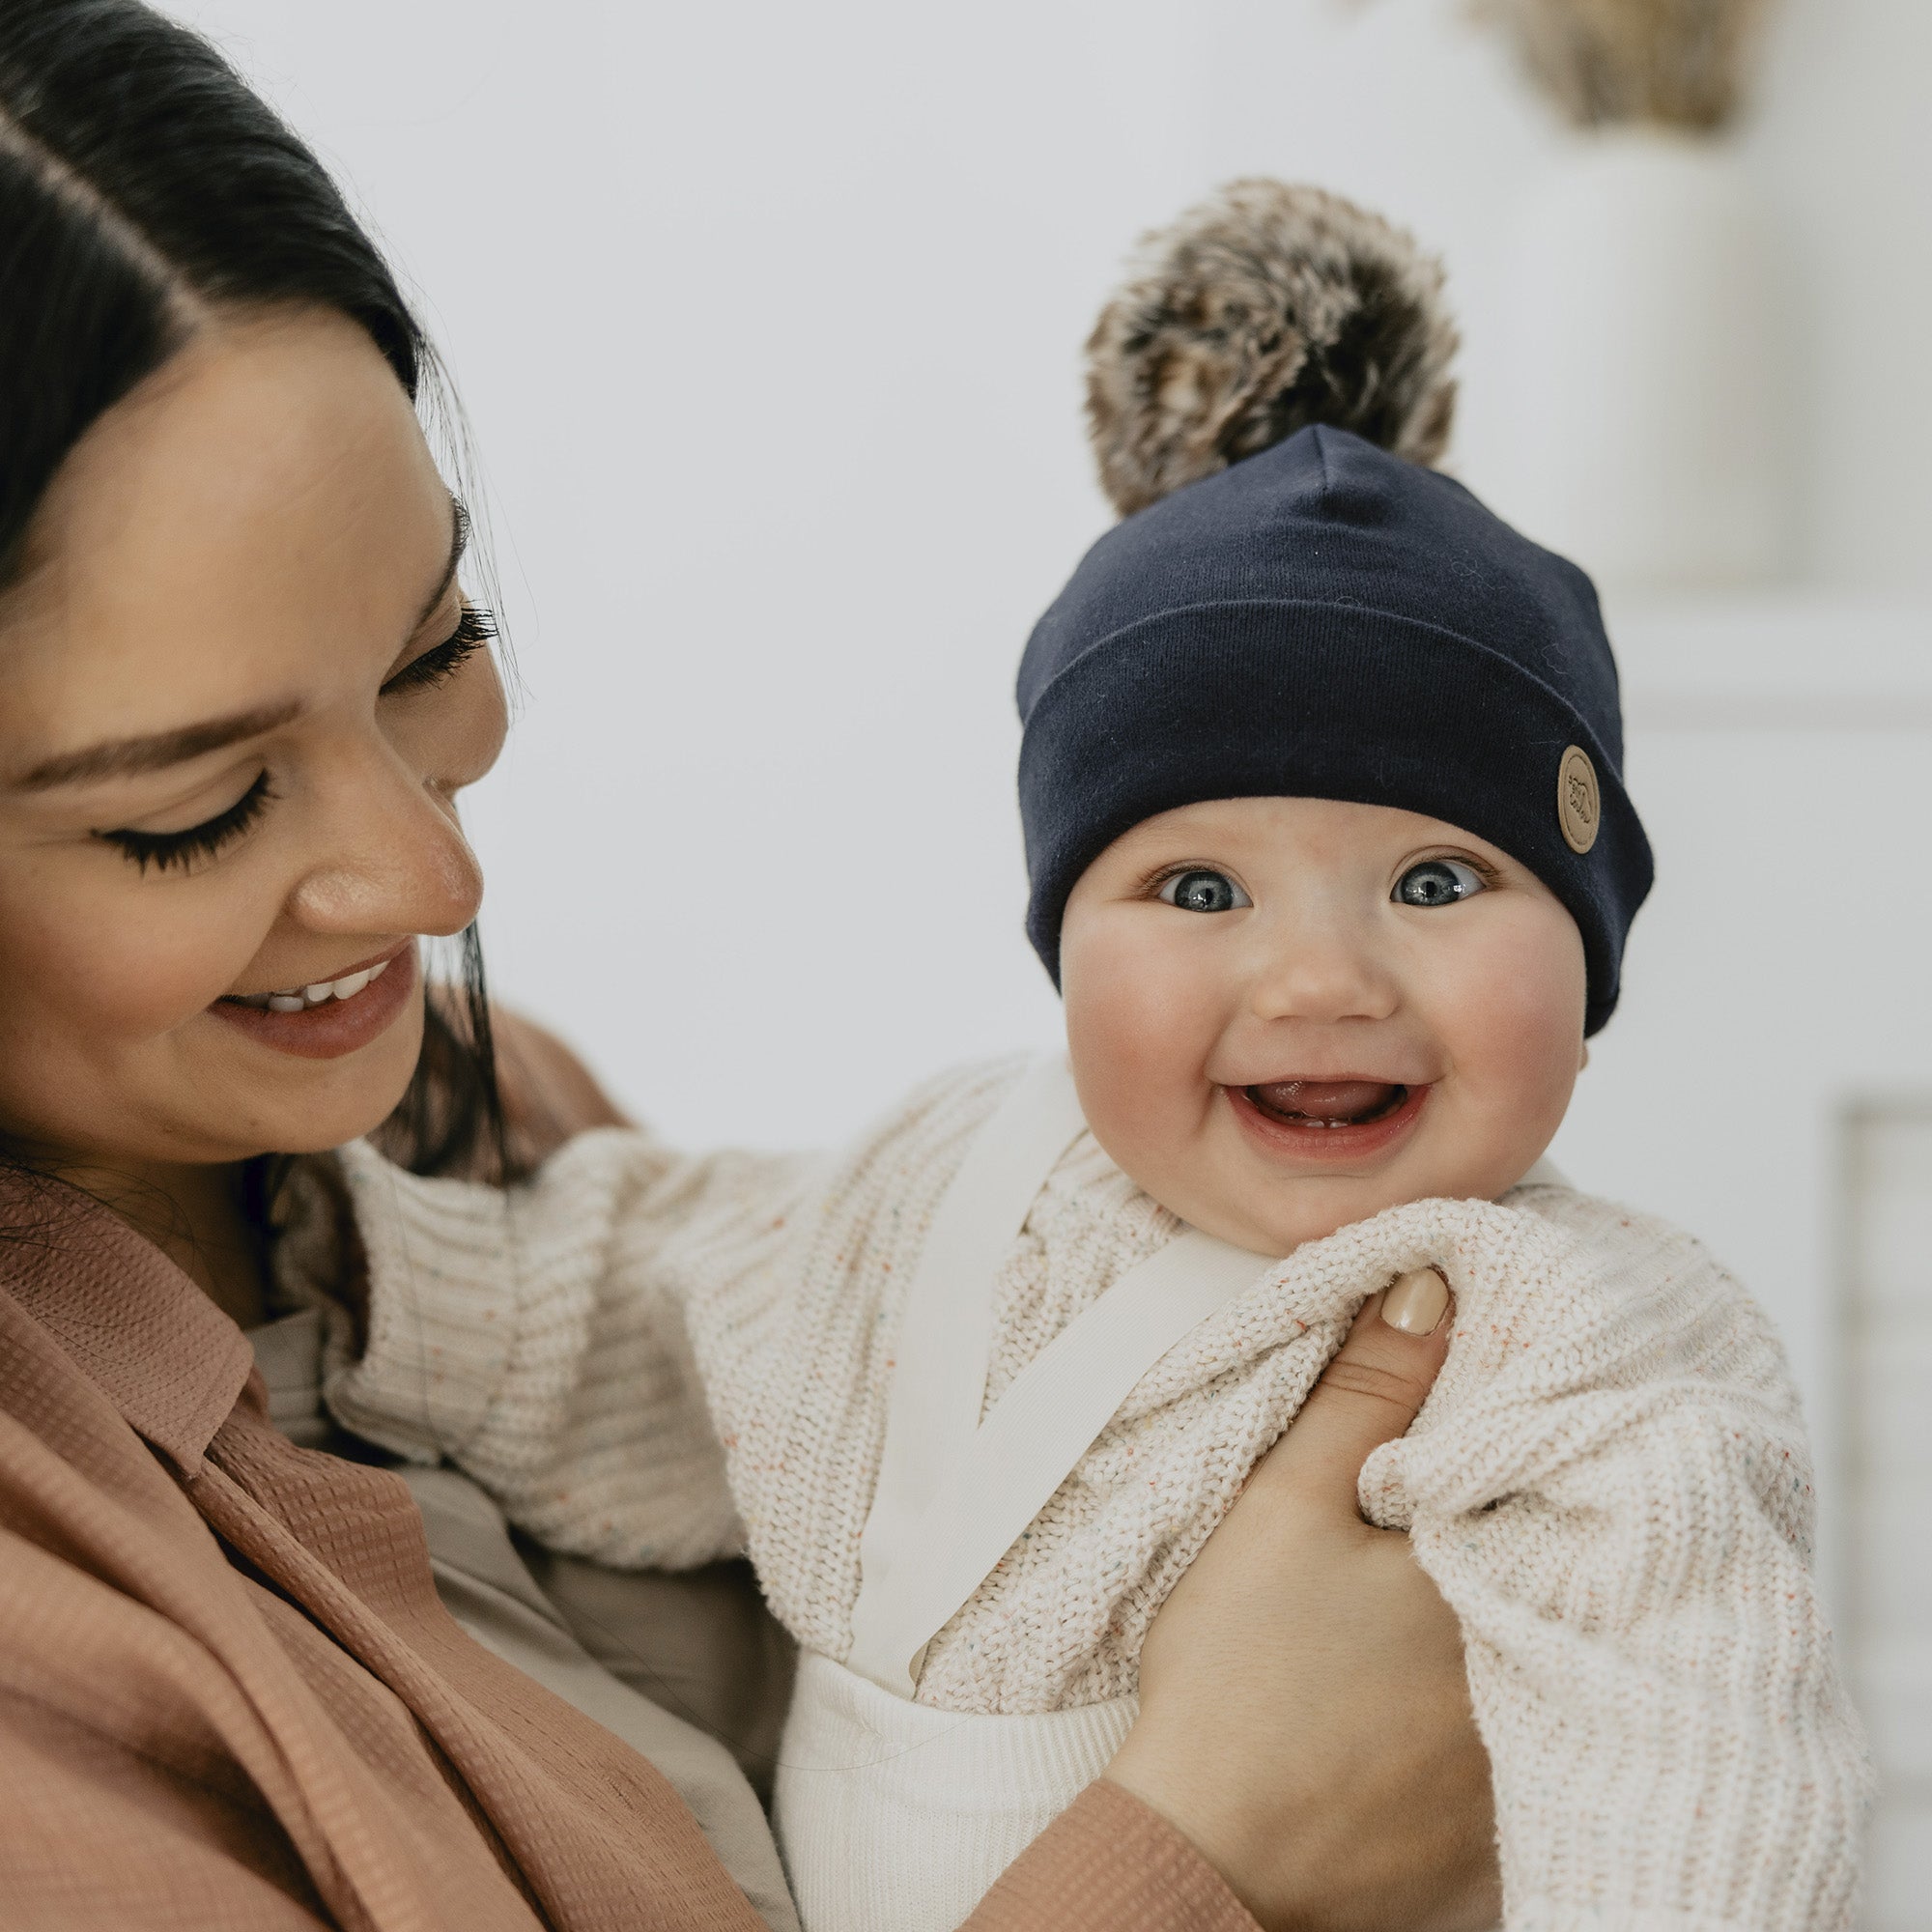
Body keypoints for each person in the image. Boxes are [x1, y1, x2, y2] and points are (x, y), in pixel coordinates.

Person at [0, 5, 1501, 1929]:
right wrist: (1216, 1850)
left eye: (431, 647)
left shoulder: (476, 1110)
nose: (425, 866)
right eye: (198, 809)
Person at [325, 185, 1872, 1932]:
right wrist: (380, 1277)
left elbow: (1686, 1766)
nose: (1316, 978)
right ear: (1062, 941)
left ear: (1591, 952)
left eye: (1439, 879)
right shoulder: (949, 1173)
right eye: (1196, 886)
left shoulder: (1576, 1347)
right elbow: (661, 1303)